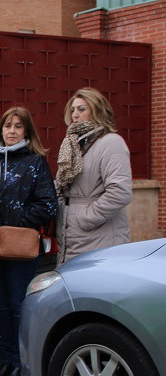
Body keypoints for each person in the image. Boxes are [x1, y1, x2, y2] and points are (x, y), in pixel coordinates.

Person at [0, 107, 57, 376]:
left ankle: (21, 365)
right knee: (1, 307)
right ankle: (7, 361)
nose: (11, 131)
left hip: (21, 246)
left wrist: (16, 224)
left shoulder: (35, 164)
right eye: (7, 126)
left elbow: (48, 204)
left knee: (18, 306)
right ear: (0, 130)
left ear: (27, 132)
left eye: (18, 127)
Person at [55, 87, 132, 264]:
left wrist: (86, 218)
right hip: (71, 236)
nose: (75, 114)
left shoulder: (111, 143)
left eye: (82, 109)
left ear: (97, 111)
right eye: (73, 109)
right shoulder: (73, 145)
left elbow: (120, 192)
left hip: (98, 237)